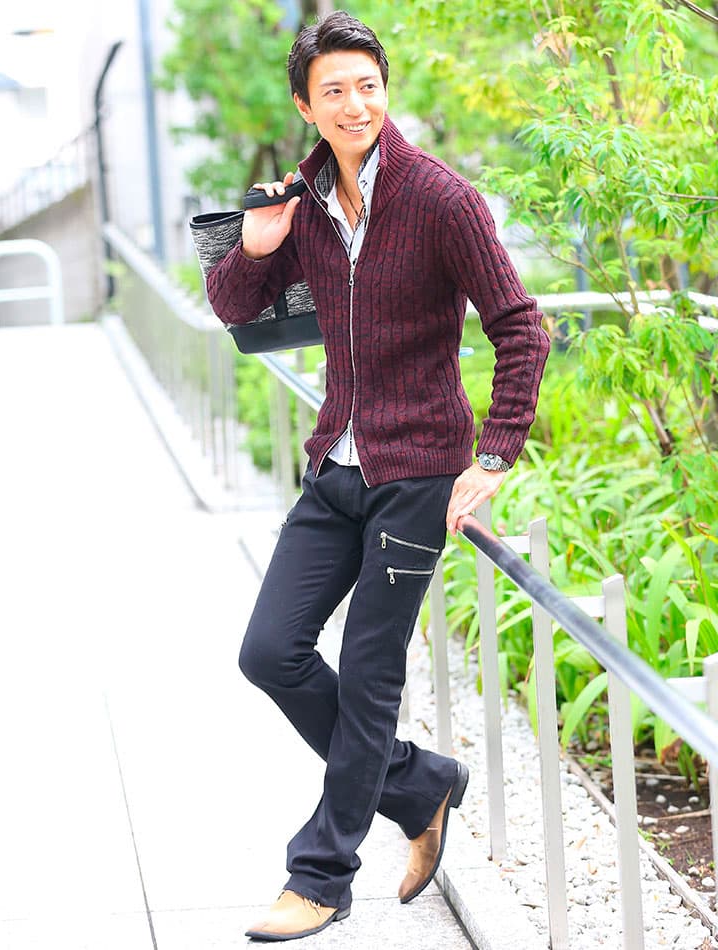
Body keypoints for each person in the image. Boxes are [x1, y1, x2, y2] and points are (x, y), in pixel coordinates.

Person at [205, 11, 550, 943]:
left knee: (366, 677)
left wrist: (493, 454)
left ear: (384, 90)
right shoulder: (304, 202)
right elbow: (238, 310)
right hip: (337, 464)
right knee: (268, 651)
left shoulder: (442, 200)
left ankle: (320, 875)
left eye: (368, 86)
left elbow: (520, 326)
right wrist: (258, 243)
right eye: (335, 91)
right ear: (305, 106)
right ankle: (419, 782)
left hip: (418, 471)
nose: (355, 105)